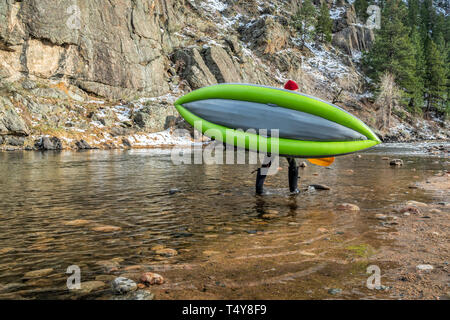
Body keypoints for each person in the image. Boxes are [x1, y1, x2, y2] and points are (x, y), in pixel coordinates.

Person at [255, 80, 300, 195]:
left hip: (274, 136)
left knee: (267, 162)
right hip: (284, 139)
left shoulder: (278, 100)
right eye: (296, 91)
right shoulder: (293, 103)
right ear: (292, 91)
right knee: (292, 164)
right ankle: (293, 190)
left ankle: (259, 190)